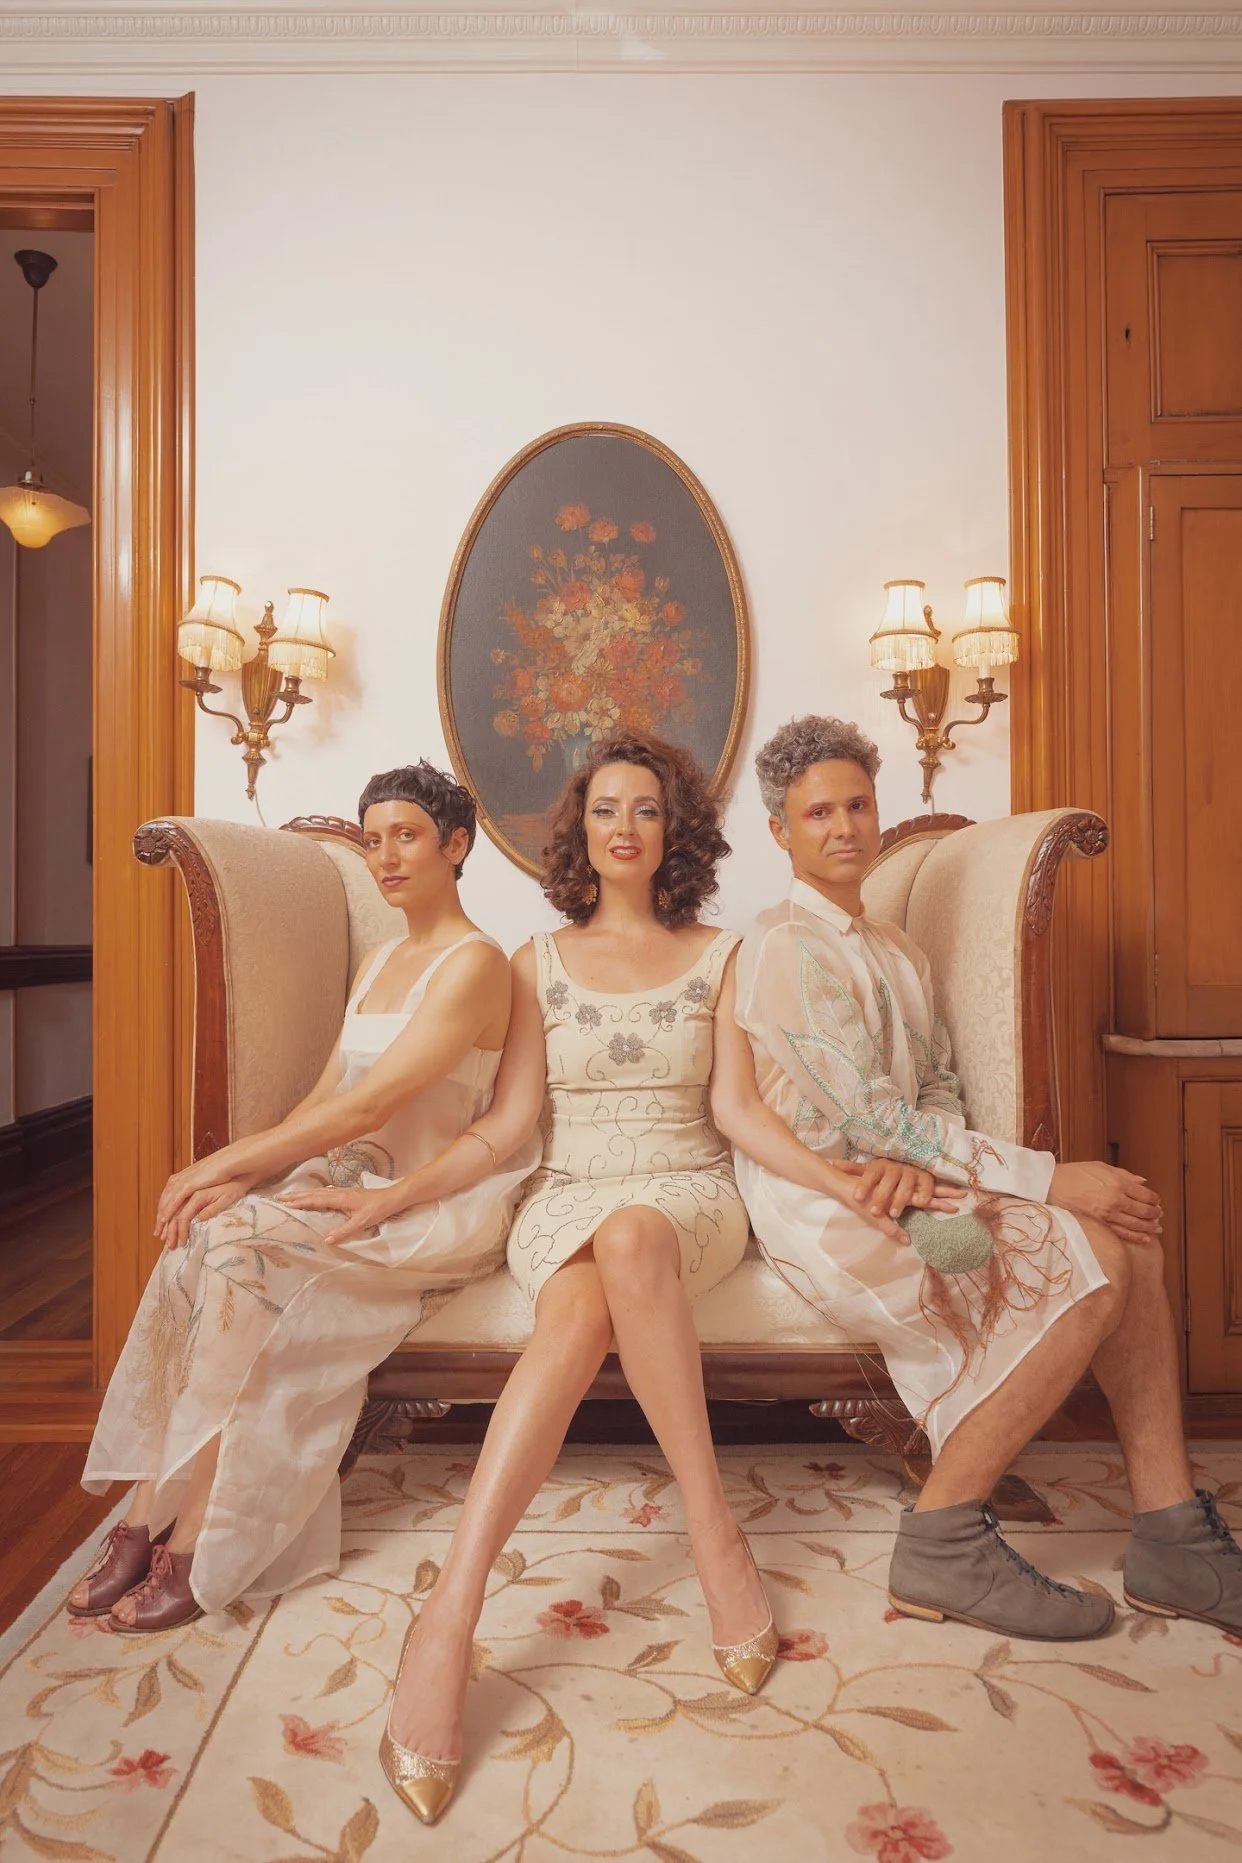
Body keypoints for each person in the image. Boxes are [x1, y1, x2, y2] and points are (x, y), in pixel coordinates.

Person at [289, 730, 957, 1826]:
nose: (625, 827)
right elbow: (508, 1125)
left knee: (636, 1239)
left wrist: (842, 1178)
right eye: (606, 809)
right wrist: (392, 1195)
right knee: (584, 1292)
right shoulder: (532, 962)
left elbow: (737, 1112)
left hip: (687, 1195)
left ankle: (693, 1534)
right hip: (564, 1197)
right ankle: (463, 1607)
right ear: (581, 831)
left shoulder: (724, 953)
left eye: (646, 808)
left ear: (674, 828)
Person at [734, 713, 1242, 1642]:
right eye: (818, 813)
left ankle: (1172, 1533)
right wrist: (1044, 1180)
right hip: (829, 1199)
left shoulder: (896, 948)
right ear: (781, 832)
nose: (844, 826)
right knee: (1096, 1256)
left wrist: (936, 1166)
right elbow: (863, 1120)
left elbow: (934, 1086)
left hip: (908, 1174)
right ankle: (944, 1535)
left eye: (857, 805)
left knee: (1129, 1238)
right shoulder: (783, 948)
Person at [70, 762, 535, 1634]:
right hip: (344, 1180)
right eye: (374, 838)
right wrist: (245, 1176)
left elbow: (370, 1107)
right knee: (207, 1237)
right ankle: (143, 1512)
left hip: (424, 1202)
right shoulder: (383, 959)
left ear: (455, 845)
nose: (385, 855)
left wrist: (219, 1161)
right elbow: (325, 1097)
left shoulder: (478, 965)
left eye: (407, 836)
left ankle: (200, 1536)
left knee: (238, 1248)